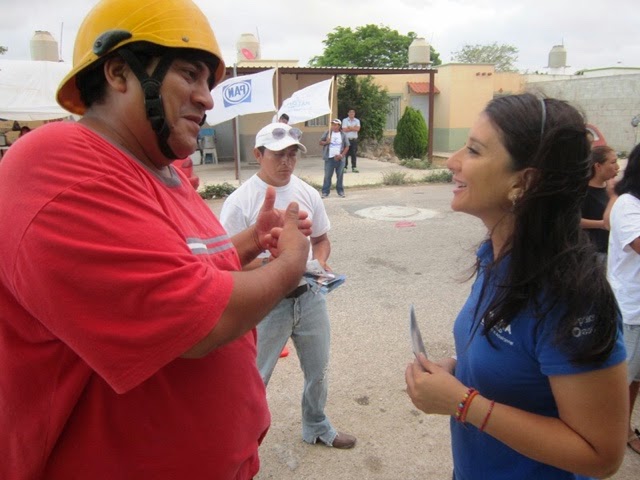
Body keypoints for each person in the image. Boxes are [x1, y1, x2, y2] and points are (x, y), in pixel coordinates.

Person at [0, 1, 312, 479]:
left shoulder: (156, 168)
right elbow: (197, 319)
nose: (208, 98)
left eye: (208, 81)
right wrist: (290, 265)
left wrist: (249, 241)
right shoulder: (58, 164)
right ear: (120, 72)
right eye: (190, 74)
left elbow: (185, 264)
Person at [405, 93, 628, 479]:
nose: (453, 162)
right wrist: (458, 372)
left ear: (524, 181)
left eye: (473, 151)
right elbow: (522, 372)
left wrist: (463, 403)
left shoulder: (572, 298)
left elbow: (601, 455)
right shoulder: (496, 257)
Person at [219, 122, 356, 449]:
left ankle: (316, 425)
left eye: (292, 154)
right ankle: (241, 443)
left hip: (310, 297)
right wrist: (275, 265)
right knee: (255, 378)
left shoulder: (307, 193)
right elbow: (228, 260)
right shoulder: (240, 202)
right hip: (266, 303)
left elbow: (322, 240)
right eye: (279, 155)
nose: (287, 162)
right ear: (258, 154)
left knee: (318, 369)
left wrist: (319, 263)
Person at [604, 142, 640, 456]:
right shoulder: (628, 204)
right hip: (630, 307)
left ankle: (624, 428)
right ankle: (611, 435)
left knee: (636, 377)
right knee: (621, 378)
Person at [580, 145, 619, 262]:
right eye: (613, 162)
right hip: (595, 252)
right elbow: (574, 220)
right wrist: (602, 224)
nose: (617, 167)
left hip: (613, 249)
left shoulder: (612, 189)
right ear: (598, 166)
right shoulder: (583, 192)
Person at [320, 118, 349, 198]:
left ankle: (340, 191)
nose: (334, 126)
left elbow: (347, 146)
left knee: (340, 176)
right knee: (327, 176)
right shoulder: (328, 133)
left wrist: (342, 155)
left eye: (335, 125)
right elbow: (320, 142)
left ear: (339, 126)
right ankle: (325, 192)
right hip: (329, 158)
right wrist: (326, 142)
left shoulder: (343, 135)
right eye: (332, 124)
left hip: (340, 158)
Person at [342, 108, 360, 173]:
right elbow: (344, 129)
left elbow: (358, 129)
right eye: (350, 113)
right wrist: (353, 128)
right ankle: (344, 167)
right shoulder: (345, 120)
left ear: (354, 114)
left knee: (354, 154)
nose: (352, 114)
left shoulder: (357, 121)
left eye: (353, 113)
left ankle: (354, 167)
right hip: (346, 140)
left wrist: (349, 127)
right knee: (345, 154)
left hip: (354, 139)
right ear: (348, 114)